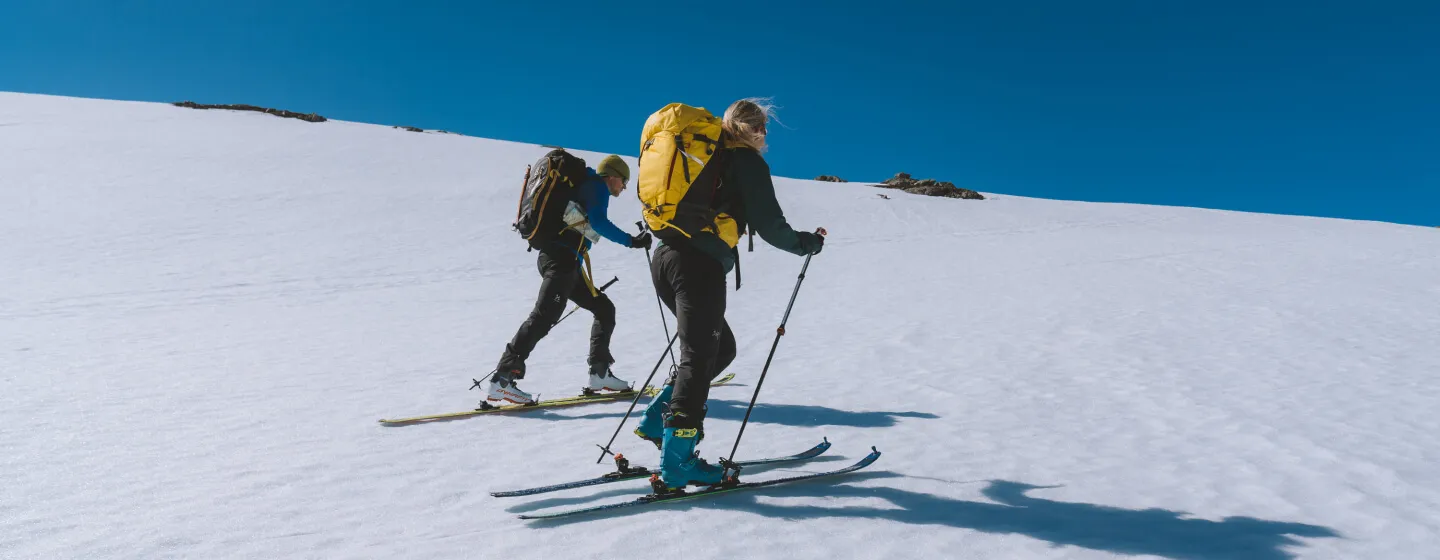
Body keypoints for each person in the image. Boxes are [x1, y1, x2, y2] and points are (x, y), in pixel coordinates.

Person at [633, 99, 825, 489]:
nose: (766, 136)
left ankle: (657, 421)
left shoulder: (707, 158)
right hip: (698, 265)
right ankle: (678, 463)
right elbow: (771, 225)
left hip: (666, 259)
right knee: (699, 356)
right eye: (764, 129)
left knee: (719, 351)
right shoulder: (743, 160)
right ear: (755, 130)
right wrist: (806, 244)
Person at [486, 154, 655, 405]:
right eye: (624, 181)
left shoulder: (585, 185)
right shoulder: (598, 187)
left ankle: (599, 373)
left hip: (565, 260)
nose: (624, 187)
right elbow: (599, 222)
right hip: (561, 259)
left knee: (603, 308)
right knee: (544, 316)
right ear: (613, 176)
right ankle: (501, 379)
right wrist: (632, 241)